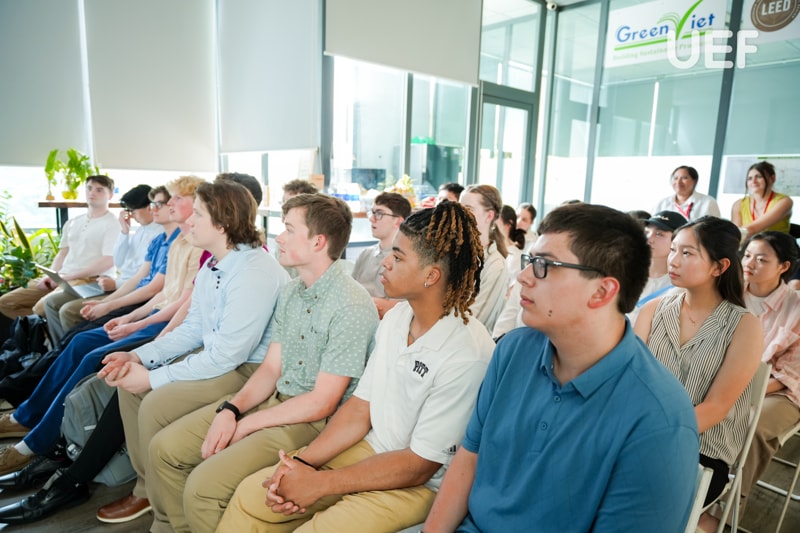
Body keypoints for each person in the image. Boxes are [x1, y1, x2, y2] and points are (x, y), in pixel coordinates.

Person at [219, 200, 494, 532]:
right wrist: (301, 464)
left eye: (398, 257)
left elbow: (419, 465)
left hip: (420, 484)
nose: (385, 263)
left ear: (431, 275)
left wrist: (320, 483)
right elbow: (359, 408)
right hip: (371, 448)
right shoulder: (398, 318)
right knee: (253, 495)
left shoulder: (466, 354)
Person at [423, 203, 699, 532]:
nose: (523, 277)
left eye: (544, 265)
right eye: (529, 261)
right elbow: (469, 459)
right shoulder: (513, 351)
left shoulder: (659, 419)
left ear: (602, 291)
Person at [140, 193, 379, 533]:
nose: (279, 238)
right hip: (277, 401)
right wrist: (231, 410)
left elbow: (322, 402)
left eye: (289, 230)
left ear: (318, 242)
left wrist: (248, 424)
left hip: (314, 422)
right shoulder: (291, 292)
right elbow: (270, 369)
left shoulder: (351, 304)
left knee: (203, 487)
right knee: (164, 450)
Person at [91, 187, 315, 528]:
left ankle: (167, 520)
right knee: (129, 388)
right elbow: (194, 328)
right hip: (222, 357)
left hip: (249, 369)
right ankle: (149, 490)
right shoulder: (214, 264)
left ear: (222, 224)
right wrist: (138, 357)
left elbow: (228, 356)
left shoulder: (254, 270)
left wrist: (151, 377)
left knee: (153, 402)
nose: (189, 220)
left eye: (197, 214)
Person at [0, 180, 201, 476]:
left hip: (166, 324)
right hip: (155, 315)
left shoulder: (197, 245)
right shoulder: (179, 242)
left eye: (175, 199)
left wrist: (137, 323)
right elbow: (162, 293)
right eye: (162, 201)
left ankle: (35, 442)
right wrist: (126, 317)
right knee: (79, 341)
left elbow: (179, 302)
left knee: (91, 356)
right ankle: (27, 415)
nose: (167, 204)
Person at [634, 216, 763, 533]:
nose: (673, 260)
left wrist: (649, 436)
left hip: (703, 450)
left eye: (687, 253)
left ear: (719, 267)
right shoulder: (652, 310)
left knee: (633, 494)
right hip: (641, 436)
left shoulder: (744, 326)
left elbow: (716, 408)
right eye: (673, 250)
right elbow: (629, 384)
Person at [47, 184, 165, 341]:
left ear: (149, 208)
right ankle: (59, 346)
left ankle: (63, 345)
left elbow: (145, 280)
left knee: (69, 312)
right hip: (121, 285)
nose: (132, 216)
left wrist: (113, 289)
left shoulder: (159, 235)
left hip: (130, 289)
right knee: (53, 303)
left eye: (133, 211)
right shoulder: (141, 230)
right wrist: (124, 231)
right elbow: (119, 262)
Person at [737, 232, 800, 514]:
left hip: (780, 391)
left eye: (762, 259)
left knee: (752, 424)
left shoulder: (796, 307)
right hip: (728, 379)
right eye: (747, 255)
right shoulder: (728, 292)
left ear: (783, 266)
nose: (750, 263)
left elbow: (790, 374)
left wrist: (745, 390)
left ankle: (726, 508)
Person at [0, 175, 118, 322]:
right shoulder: (73, 222)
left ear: (110, 195)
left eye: (99, 190)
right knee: (6, 303)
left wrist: (68, 277)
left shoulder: (113, 223)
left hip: (89, 279)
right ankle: (41, 327)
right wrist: (51, 275)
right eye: (89, 188)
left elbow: (108, 260)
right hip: (62, 275)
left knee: (41, 308)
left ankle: (42, 326)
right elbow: (63, 253)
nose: (92, 193)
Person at [352, 192, 412, 318]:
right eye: (372, 212)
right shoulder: (365, 254)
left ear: (399, 221)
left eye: (379, 214)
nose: (371, 219)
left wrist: (362, 303)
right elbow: (349, 293)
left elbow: (403, 308)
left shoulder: (407, 259)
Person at [459, 185, 509, 332]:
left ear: (489, 216)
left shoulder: (495, 265)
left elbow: (473, 322)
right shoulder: (452, 254)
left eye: (468, 209)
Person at [628, 210, 687, 323]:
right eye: (647, 232)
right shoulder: (628, 273)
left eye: (659, 234)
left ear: (679, 241)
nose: (649, 239)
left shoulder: (681, 287)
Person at [731, 161, 793, 238]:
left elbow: (752, 229)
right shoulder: (738, 204)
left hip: (776, 244)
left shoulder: (784, 201)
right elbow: (735, 234)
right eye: (749, 178)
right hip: (747, 245)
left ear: (772, 178)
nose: (753, 181)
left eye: (759, 177)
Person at [653, 165, 720, 221]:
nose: (678, 182)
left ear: (695, 181)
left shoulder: (708, 202)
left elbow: (716, 228)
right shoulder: (663, 203)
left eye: (684, 178)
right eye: (675, 178)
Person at [496, 205, 525, 287]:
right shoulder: (491, 249)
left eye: (496, 218)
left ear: (509, 224)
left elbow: (512, 288)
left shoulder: (516, 256)